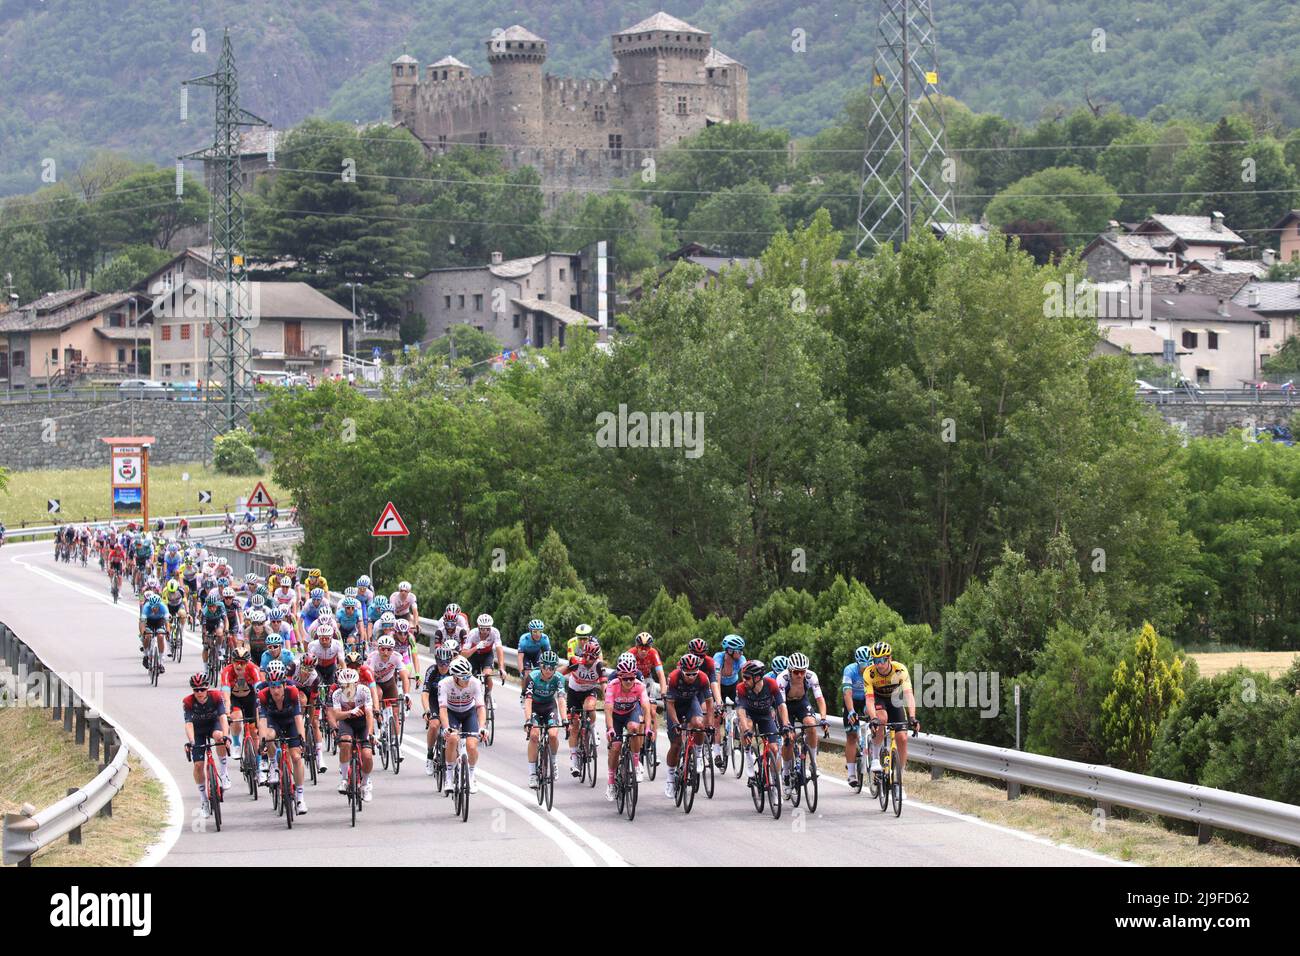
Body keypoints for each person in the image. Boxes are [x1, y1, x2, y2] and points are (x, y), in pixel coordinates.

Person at [256, 659, 308, 815]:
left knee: (296, 757)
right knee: (269, 736)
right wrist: (262, 742)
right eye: (272, 687)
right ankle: (273, 765)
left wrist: (302, 739)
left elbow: (299, 718)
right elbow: (263, 722)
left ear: (284, 685)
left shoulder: (293, 692)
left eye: (278, 686)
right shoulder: (263, 695)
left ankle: (300, 797)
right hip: (274, 722)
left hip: (290, 721)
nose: (275, 691)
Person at [776, 652, 828, 797]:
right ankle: (786, 774)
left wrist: (823, 718)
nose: (800, 675)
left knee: (811, 725)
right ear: (790, 670)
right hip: (784, 706)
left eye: (802, 672)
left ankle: (813, 763)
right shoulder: (782, 678)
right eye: (796, 672)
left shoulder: (811, 676)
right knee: (789, 739)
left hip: (801, 703)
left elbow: (820, 698)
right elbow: (781, 705)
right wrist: (786, 724)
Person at [662, 653, 710, 798]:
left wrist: (710, 724)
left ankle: (699, 753)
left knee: (699, 725)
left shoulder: (702, 677)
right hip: (675, 706)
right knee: (676, 744)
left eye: (694, 674)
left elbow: (709, 702)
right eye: (687, 674)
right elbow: (669, 705)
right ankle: (670, 779)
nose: (691, 677)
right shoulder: (674, 677)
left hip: (690, 703)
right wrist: (676, 723)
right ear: (681, 670)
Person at [183, 674, 231, 818]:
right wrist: (191, 742)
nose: (199, 693)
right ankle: (204, 800)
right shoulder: (188, 702)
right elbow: (189, 724)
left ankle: (224, 772)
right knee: (198, 765)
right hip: (198, 731)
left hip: (213, 725)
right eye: (196, 690)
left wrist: (226, 736)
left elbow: (223, 718)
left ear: (207, 688)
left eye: (202, 689)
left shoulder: (216, 696)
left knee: (219, 736)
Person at [736, 660, 790, 785]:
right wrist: (745, 731)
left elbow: (781, 705)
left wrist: (786, 724)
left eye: (747, 677)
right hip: (749, 715)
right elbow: (741, 711)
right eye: (743, 676)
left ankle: (774, 781)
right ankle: (749, 760)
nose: (744, 680)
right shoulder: (741, 688)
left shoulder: (771, 684)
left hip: (765, 715)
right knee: (747, 727)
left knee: (774, 749)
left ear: (758, 677)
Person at [603, 653, 649, 800]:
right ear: (619, 677)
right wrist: (610, 728)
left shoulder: (640, 686)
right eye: (625, 679)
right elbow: (608, 710)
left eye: (632, 678)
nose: (629, 681)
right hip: (615, 716)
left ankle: (636, 763)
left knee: (635, 729)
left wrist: (647, 728)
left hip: (630, 712)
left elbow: (646, 708)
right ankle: (611, 782)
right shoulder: (612, 685)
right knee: (616, 747)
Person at [439, 657, 487, 794]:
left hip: (469, 713)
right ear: (454, 677)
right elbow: (442, 709)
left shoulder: (475, 683)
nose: (467, 680)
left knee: (472, 745)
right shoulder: (444, 684)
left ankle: (471, 775)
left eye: (468, 676)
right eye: (463, 677)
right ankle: (449, 776)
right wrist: (446, 727)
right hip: (452, 713)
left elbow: (480, 707)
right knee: (452, 739)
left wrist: (482, 727)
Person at [329, 667, 375, 802]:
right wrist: (350, 712)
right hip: (346, 721)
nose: (347, 688)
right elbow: (336, 715)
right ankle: (344, 779)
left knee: (367, 754)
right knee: (345, 742)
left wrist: (370, 733)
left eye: (350, 685)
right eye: (344, 685)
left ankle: (365, 784)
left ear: (356, 683)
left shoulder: (364, 691)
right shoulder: (337, 694)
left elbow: (369, 714)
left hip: (362, 723)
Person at [522, 650, 566, 789]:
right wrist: (528, 720)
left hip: (549, 706)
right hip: (534, 706)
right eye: (545, 667)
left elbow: (561, 699)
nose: (548, 670)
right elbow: (527, 700)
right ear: (541, 666)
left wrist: (564, 719)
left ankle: (553, 761)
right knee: (534, 736)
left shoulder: (559, 678)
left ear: (555, 668)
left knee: (553, 734)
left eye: (551, 667)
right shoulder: (532, 677)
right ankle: (532, 774)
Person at [421, 643, 457, 776]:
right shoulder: (432, 671)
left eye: (446, 663)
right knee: (435, 725)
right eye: (441, 663)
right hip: (435, 701)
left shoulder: (454, 671)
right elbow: (425, 693)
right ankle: (430, 755)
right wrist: (426, 710)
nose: (443, 666)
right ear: (436, 662)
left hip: (450, 702)